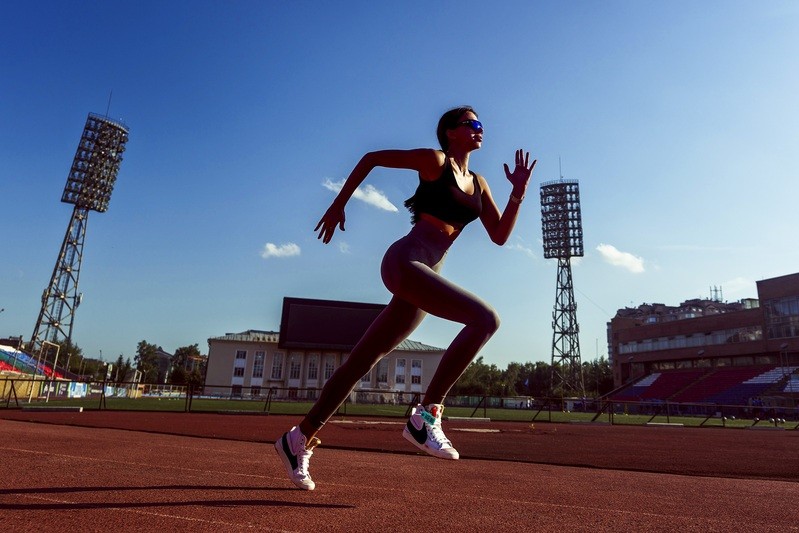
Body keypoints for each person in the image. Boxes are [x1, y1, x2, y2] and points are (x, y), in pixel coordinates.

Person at [275, 106, 535, 490]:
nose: (479, 129)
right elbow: (372, 158)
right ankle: (428, 416)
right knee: (486, 319)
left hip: (428, 274)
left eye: (481, 125)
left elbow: (499, 235)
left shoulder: (479, 183)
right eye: (471, 124)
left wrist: (517, 194)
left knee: (361, 361)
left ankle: (297, 439)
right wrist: (338, 202)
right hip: (405, 261)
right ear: (449, 132)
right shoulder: (434, 161)